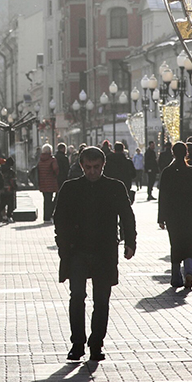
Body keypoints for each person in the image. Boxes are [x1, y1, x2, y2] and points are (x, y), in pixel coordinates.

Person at [53, 146, 136, 362]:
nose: (92, 172)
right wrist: (63, 246)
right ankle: (77, 344)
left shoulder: (114, 187)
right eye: (88, 167)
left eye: (96, 167)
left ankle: (96, 343)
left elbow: (127, 216)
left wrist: (130, 242)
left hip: (104, 251)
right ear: (81, 166)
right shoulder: (70, 188)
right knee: (77, 297)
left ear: (103, 165)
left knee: (102, 299)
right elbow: (59, 218)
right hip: (77, 250)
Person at [158, 142, 192, 289]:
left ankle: (176, 276)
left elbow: (163, 196)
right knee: (190, 242)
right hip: (189, 212)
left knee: (175, 243)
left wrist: (161, 217)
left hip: (173, 214)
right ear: (186, 153)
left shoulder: (167, 172)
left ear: (173, 153)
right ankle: (189, 271)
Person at [36, 144, 60, 222]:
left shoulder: (40, 160)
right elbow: (56, 170)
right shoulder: (52, 160)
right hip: (51, 182)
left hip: (42, 182)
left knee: (46, 200)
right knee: (50, 200)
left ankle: (45, 217)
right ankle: (48, 216)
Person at [0, 157, 18, 221]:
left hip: (2, 189)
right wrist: (15, 187)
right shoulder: (11, 172)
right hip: (9, 189)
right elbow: (12, 181)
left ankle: (2, 215)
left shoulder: (1, 169)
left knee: (2, 203)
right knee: (10, 204)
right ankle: (9, 216)